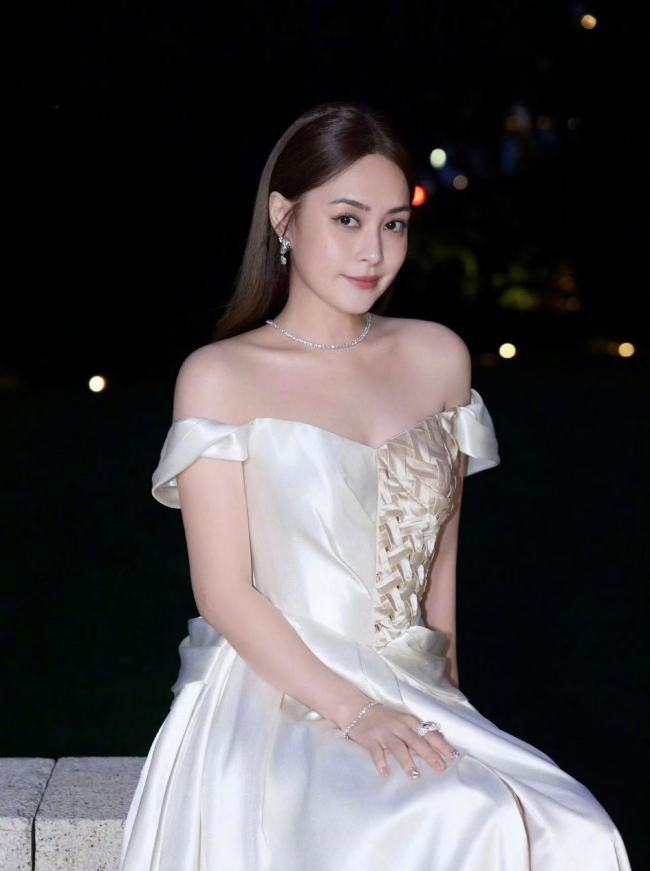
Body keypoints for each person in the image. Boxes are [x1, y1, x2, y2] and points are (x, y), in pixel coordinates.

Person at [119, 101, 632, 870]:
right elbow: (224, 593)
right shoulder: (220, 375)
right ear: (284, 218)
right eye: (348, 219)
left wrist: (451, 699)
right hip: (276, 690)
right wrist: (356, 711)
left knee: (581, 830)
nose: (374, 251)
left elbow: (439, 566)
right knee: (462, 817)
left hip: (410, 683)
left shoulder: (438, 357)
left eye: (395, 224)